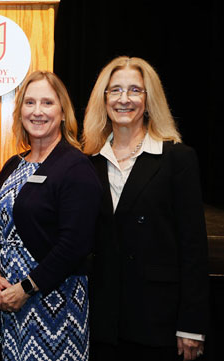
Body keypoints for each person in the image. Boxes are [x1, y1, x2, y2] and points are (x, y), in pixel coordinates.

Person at [82, 56, 209, 361]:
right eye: (115, 91)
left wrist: (191, 325)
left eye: (135, 90)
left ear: (149, 100)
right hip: (101, 321)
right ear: (104, 99)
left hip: (157, 321)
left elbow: (193, 247)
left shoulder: (178, 159)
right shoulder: (87, 162)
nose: (124, 99)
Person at [0, 70, 102, 361]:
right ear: (20, 111)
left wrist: (26, 288)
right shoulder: (13, 165)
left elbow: (75, 245)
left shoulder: (76, 167)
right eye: (30, 102)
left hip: (54, 303)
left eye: (47, 103)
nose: (37, 111)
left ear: (63, 112)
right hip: (10, 301)